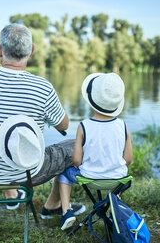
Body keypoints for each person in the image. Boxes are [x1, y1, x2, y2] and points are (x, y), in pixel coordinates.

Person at [0, 23, 85, 216]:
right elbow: (64, 124)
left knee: (3, 143)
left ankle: (15, 196)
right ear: (31, 51)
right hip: (26, 173)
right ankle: (52, 205)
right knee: (75, 145)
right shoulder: (43, 87)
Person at [57, 73, 133, 230]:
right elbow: (128, 159)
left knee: (63, 173)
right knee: (118, 171)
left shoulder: (84, 126)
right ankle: (114, 208)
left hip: (89, 179)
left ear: (92, 101)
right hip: (117, 180)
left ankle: (67, 212)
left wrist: (82, 164)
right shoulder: (123, 125)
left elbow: (76, 160)